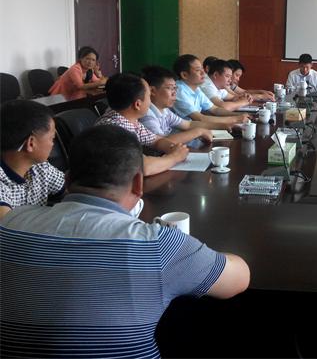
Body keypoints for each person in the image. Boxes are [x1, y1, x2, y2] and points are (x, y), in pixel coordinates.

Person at [0, 125, 250, 357]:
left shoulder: (9, 223)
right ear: (138, 184)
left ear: (66, 180)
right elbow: (239, 279)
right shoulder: (159, 245)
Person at [96, 73, 190, 176]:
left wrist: (174, 148)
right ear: (137, 104)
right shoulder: (113, 128)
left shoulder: (130, 120)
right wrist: (174, 157)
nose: (150, 102)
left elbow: (156, 140)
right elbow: (142, 167)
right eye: (149, 96)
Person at [0, 100, 65, 218]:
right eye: (52, 138)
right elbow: (9, 227)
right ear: (31, 143)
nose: (52, 144)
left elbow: (72, 192)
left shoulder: (40, 167)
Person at [141, 66, 236, 145]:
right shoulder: (147, 115)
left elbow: (188, 124)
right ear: (152, 91)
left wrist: (223, 126)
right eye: (170, 88)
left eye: (175, 88)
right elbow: (160, 142)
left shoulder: (165, 111)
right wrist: (198, 132)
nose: (174, 93)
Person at [172, 54, 251, 125]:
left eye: (202, 69)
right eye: (198, 70)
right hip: (181, 134)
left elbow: (215, 109)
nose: (203, 72)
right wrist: (235, 119)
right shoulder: (179, 91)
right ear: (184, 75)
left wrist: (238, 115)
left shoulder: (196, 89)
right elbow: (200, 118)